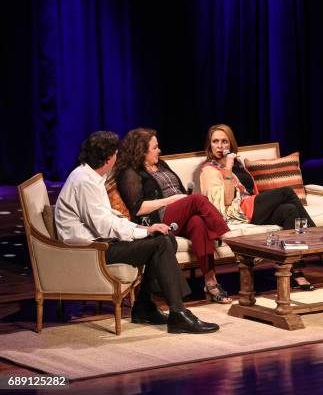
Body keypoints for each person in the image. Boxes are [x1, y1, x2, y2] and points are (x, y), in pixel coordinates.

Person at [54, 131, 219, 334]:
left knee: (163, 238)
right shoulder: (84, 181)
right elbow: (103, 226)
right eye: (116, 153)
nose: (118, 157)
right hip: (91, 250)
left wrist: (144, 229)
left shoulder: (91, 176)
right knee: (161, 242)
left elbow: (109, 219)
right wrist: (144, 231)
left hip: (102, 242)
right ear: (109, 157)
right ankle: (177, 313)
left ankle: (144, 307)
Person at [115, 128, 232, 303]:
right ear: (142, 150)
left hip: (180, 214)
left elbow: (180, 191)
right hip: (159, 218)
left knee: (198, 223)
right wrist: (170, 201)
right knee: (197, 200)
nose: (159, 150)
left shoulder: (161, 164)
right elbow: (137, 208)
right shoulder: (130, 172)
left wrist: (182, 200)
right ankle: (229, 237)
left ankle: (211, 283)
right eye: (155, 148)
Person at [199, 124, 316, 291]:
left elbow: (252, 191)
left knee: (290, 210)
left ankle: (294, 272)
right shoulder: (209, 170)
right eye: (215, 141)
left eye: (224, 141)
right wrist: (228, 167)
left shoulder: (238, 163)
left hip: (252, 207)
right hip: (237, 211)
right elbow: (224, 202)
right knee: (286, 192)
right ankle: (316, 236)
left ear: (230, 143)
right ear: (209, 145)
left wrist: (232, 164)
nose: (220, 146)